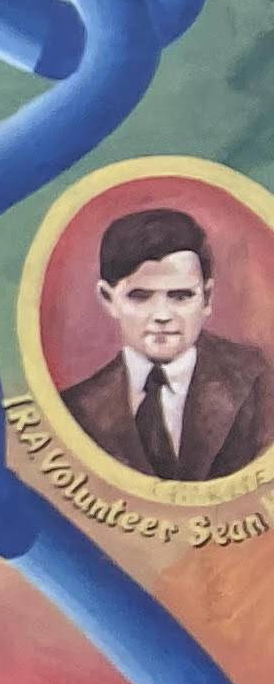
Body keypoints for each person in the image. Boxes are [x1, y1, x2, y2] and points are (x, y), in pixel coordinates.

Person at [58, 206, 274, 484]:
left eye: (181, 296)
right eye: (140, 296)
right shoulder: (77, 409)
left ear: (207, 298)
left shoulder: (258, 381)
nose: (162, 315)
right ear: (108, 299)